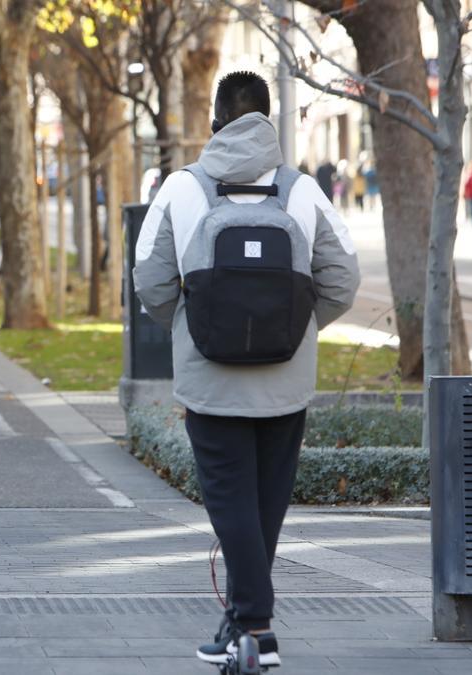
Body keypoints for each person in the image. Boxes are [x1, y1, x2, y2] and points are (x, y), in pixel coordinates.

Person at [133, 71, 360, 668]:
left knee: (229, 501)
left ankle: (255, 624)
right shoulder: (304, 191)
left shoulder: (181, 189)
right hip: (286, 381)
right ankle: (240, 623)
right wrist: (296, 329)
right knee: (265, 506)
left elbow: (151, 282)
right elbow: (342, 281)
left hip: (210, 379)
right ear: (268, 120)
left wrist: (190, 329)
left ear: (214, 123)